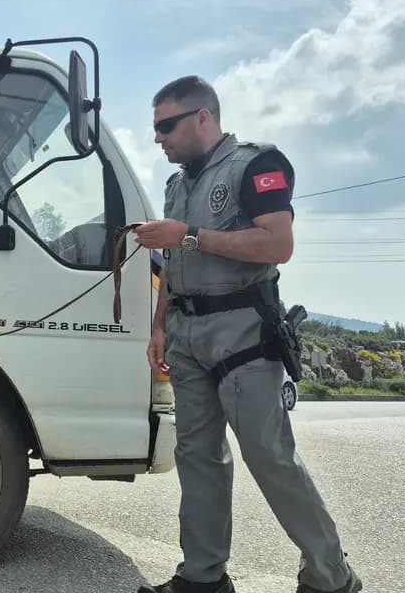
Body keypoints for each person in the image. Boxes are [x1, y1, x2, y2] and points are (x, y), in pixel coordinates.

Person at [132, 76, 362, 593]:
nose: (157, 138)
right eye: (155, 128)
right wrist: (159, 328)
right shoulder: (177, 185)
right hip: (186, 333)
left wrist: (188, 235)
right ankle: (202, 576)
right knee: (198, 456)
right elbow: (172, 265)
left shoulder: (257, 164)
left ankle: (331, 577)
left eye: (166, 125)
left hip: (243, 334)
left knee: (268, 454)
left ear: (203, 118)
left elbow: (277, 244)